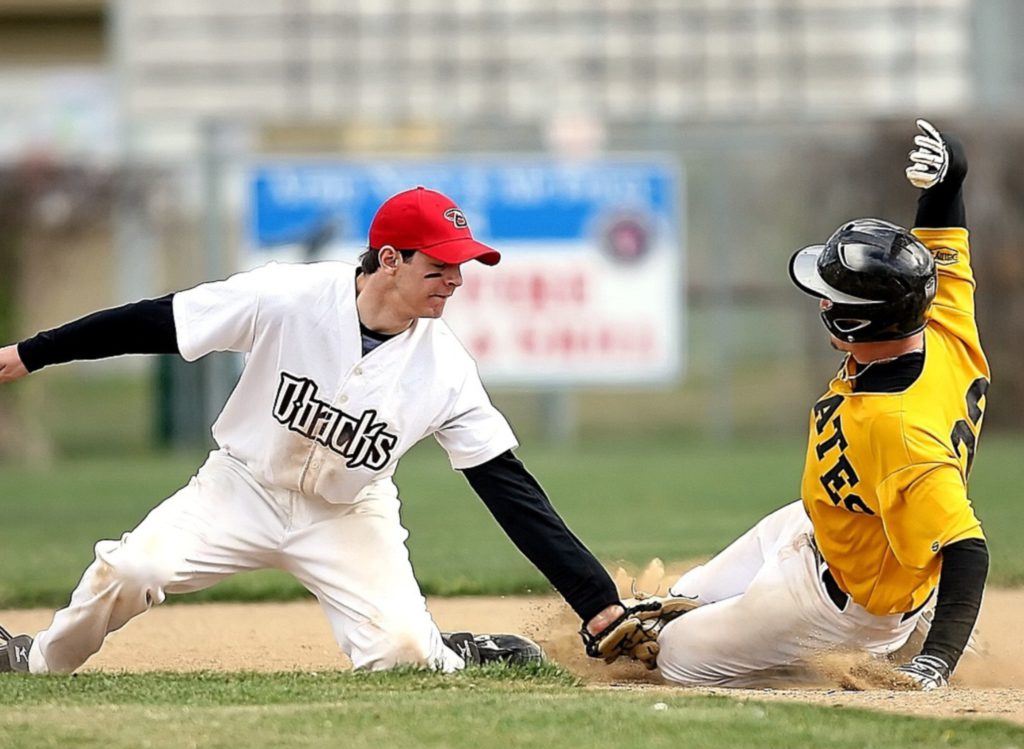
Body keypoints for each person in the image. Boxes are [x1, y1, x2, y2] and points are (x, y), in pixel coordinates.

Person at [0, 185, 627, 674]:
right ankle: (35, 659)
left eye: (462, 267)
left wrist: (594, 600)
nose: (457, 281)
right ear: (389, 260)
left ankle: (455, 651)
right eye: (441, 267)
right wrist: (34, 352)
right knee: (135, 570)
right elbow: (158, 321)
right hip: (240, 488)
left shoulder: (446, 370)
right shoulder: (287, 296)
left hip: (347, 514)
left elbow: (510, 492)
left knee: (403, 656)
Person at [634, 120, 988, 689]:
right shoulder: (941, 320)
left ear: (854, 321)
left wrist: (936, 664)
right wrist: (948, 180)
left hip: (843, 607)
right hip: (824, 523)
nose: (822, 300)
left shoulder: (899, 428)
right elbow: (944, 235)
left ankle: (860, 653)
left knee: (670, 657)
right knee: (670, 606)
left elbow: (967, 549)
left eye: (831, 296)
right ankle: (765, 626)